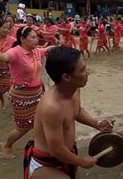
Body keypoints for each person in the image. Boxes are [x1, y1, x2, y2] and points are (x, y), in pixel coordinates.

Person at [24, 46, 113, 178]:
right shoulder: (52, 107)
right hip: (47, 163)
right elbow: (56, 150)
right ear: (66, 77)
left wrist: (97, 124)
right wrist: (82, 161)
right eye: (82, 70)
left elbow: (75, 111)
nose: (87, 73)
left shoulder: (74, 88)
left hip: (66, 155)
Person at [0, 27, 52, 159]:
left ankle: (40, 145)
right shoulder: (15, 52)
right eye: (32, 37)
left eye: (36, 37)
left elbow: (48, 50)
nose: (36, 39)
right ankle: (7, 145)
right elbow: (3, 57)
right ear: (22, 39)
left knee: (41, 121)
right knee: (23, 127)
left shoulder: (36, 51)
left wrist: (59, 47)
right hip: (21, 96)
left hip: (37, 94)